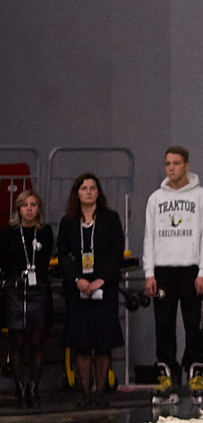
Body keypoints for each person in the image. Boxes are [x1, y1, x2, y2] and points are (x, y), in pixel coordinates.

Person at [140, 146, 203, 402]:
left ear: (186, 166)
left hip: (191, 270)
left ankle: (195, 373)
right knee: (163, 324)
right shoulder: (155, 199)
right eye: (168, 164)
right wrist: (149, 273)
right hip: (163, 270)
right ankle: (166, 375)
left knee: (194, 324)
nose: (171, 168)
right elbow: (149, 237)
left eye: (176, 163)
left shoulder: (201, 196)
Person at [56, 173, 127, 403]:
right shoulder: (68, 221)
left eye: (92, 188)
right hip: (78, 288)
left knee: (103, 342)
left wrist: (101, 280)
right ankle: (85, 393)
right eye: (84, 188)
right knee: (82, 343)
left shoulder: (110, 218)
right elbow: (63, 255)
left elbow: (117, 252)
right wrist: (77, 279)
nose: (88, 192)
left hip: (104, 287)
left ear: (98, 192)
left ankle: (100, 392)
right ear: (77, 193)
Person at [3, 189, 56, 408]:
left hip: (38, 289)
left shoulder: (45, 232)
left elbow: (46, 258)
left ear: (38, 209)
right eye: (25, 205)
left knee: (37, 340)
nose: (29, 209)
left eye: (33, 205)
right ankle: (19, 389)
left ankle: (33, 388)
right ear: (18, 209)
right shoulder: (8, 232)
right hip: (15, 290)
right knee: (17, 340)